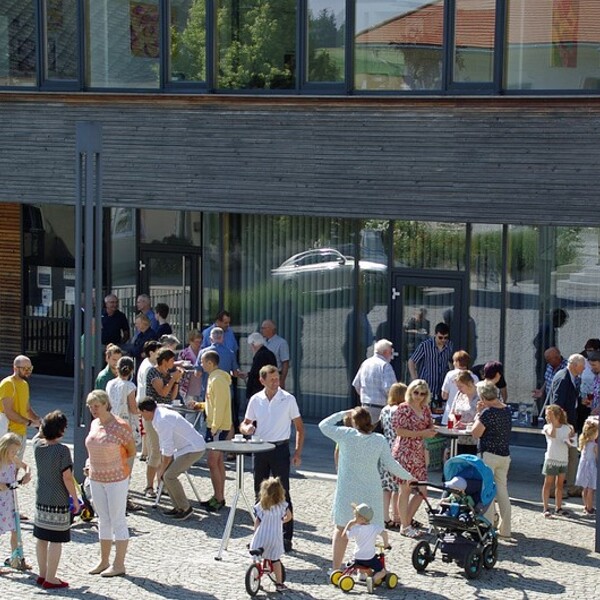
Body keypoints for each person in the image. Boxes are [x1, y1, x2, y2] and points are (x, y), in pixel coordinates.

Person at [318, 406, 414, 571]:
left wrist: (343, 413)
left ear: (354, 422)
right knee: (369, 531)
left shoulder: (346, 435)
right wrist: (408, 476)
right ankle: (365, 570)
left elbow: (323, 425)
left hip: (347, 490)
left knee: (341, 528)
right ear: (370, 421)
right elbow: (390, 464)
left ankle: (335, 569)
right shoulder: (379, 440)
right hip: (371, 491)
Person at [240, 365, 304, 553]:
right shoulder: (256, 399)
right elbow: (245, 423)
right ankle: (259, 535)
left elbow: (299, 427)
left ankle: (286, 537)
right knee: (259, 492)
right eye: (272, 379)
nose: (276, 382)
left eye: (277, 379)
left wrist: (297, 452)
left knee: (283, 493)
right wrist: (246, 429)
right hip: (260, 448)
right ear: (262, 380)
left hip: (279, 449)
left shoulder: (288, 399)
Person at [85, 390, 136, 577]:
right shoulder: (94, 424)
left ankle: (119, 564)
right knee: (103, 519)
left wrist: (117, 466)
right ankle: (104, 561)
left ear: (106, 404)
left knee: (117, 520)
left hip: (116, 479)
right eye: (90, 406)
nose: (93, 409)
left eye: (96, 406)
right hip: (96, 477)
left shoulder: (121, 426)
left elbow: (131, 450)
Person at [138, 398, 206, 520]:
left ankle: (185, 508)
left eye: (141, 413)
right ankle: (178, 507)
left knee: (168, 476)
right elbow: (165, 446)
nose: (141, 417)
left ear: (146, 411)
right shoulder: (159, 415)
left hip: (193, 448)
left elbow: (167, 448)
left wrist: (162, 470)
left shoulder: (162, 419)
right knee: (166, 476)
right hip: (185, 448)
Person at [32, 411, 78, 589]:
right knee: (55, 540)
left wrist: (42, 425)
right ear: (61, 430)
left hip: (41, 497)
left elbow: (38, 435)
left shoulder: (37, 446)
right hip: (57, 500)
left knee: (41, 538)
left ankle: (42, 574)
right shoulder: (62, 451)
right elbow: (67, 478)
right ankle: (51, 578)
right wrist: (75, 499)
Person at [391, 379, 436, 538]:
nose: (419, 396)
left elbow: (429, 426)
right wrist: (421, 434)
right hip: (405, 452)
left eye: (422, 393)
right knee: (405, 489)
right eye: (416, 392)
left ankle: (406, 522)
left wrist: (432, 430)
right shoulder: (403, 408)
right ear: (410, 391)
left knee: (422, 491)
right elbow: (399, 431)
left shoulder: (425, 408)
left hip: (419, 453)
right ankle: (405, 525)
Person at [471, 382, 513, 539]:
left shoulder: (488, 413)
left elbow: (476, 433)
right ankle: (506, 529)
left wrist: (478, 414)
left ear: (482, 397)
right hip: (504, 455)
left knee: (487, 489)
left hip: (488, 455)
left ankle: (488, 525)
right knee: (502, 490)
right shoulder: (507, 410)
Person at [143, 348, 184, 497]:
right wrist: (173, 379)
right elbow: (162, 392)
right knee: (155, 451)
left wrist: (176, 381)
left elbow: (171, 396)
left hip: (165, 415)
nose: (174, 363)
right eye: (172, 360)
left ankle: (162, 484)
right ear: (165, 361)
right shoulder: (153, 373)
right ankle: (149, 487)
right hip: (152, 415)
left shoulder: (167, 374)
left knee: (167, 451)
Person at [548, 353, 586, 496]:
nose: (584, 369)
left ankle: (571, 486)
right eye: (582, 366)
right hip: (563, 425)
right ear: (575, 365)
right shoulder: (563, 378)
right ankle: (553, 489)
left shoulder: (571, 377)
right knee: (559, 456)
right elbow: (557, 404)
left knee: (572, 456)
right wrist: (561, 426)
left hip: (570, 424)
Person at [199, 350, 232, 512]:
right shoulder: (214, 377)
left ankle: (219, 498)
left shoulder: (217, 380)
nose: (201, 364)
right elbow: (213, 403)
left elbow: (220, 406)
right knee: (217, 462)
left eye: (203, 362)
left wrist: (215, 426)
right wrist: (200, 406)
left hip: (217, 427)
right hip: (215, 425)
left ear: (210, 363)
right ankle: (218, 496)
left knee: (213, 462)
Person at [249, 476, 292, 593]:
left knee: (256, 556)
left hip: (261, 537)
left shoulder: (261, 506)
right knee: (275, 560)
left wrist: (255, 534)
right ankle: (279, 583)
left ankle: (255, 575)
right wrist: (281, 521)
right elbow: (289, 517)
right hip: (274, 538)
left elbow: (257, 522)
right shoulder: (282, 506)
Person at [0, 432, 32, 574]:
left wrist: (27, 474)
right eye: (12, 451)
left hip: (10, 499)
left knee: (15, 529)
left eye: (16, 451)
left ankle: (16, 559)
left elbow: (27, 466)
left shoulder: (13, 459)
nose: (14, 454)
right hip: (1, 499)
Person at [0, 355, 41, 459]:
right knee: (7, 465)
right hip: (9, 434)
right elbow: (9, 412)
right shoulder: (8, 384)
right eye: (25, 369)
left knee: (16, 466)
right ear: (15, 368)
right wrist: (29, 423)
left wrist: (39, 421)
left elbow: (27, 409)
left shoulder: (24, 384)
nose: (28, 371)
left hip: (22, 433)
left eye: (30, 368)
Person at [379, 383, 406, 530]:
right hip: (397, 446)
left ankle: (385, 517)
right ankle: (397, 515)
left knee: (386, 485)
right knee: (397, 485)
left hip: (385, 446)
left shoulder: (385, 409)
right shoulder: (401, 410)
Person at [342, 502, 390, 586]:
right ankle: (373, 579)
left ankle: (364, 575)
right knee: (382, 571)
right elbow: (384, 533)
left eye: (355, 517)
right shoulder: (375, 527)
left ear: (362, 519)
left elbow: (344, 536)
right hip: (369, 558)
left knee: (364, 565)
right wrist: (386, 544)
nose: (354, 519)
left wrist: (349, 524)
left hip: (357, 557)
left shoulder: (357, 529)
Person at [352, 339, 397, 426]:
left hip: (365, 406)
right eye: (391, 352)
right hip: (381, 409)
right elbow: (391, 390)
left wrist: (366, 396)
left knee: (365, 432)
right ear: (385, 352)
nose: (392, 356)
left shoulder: (365, 363)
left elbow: (357, 385)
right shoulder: (385, 366)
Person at [408, 322, 453, 405]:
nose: (443, 340)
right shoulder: (425, 346)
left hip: (441, 387)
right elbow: (412, 361)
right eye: (440, 337)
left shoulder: (449, 346)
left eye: (446, 338)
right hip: (427, 387)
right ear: (435, 335)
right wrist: (415, 379)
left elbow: (451, 361)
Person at [541, 404, 574, 518]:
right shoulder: (547, 427)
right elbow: (553, 435)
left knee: (560, 485)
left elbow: (572, 443)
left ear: (557, 415)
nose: (547, 417)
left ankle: (558, 507)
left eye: (549, 415)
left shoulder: (568, 428)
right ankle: (546, 508)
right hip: (551, 458)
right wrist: (553, 424)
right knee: (548, 484)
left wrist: (569, 441)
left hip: (563, 459)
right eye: (547, 415)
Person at [136, 340, 162, 465]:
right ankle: (150, 455)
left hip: (143, 400)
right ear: (151, 353)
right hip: (146, 401)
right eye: (158, 352)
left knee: (145, 428)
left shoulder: (146, 363)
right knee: (149, 430)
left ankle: (144, 452)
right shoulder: (149, 367)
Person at [441, 350, 478, 425]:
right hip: (457, 419)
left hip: (450, 419)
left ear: (456, 362)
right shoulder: (475, 377)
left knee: (449, 429)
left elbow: (444, 396)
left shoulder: (450, 374)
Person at [533, 308, 568, 386]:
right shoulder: (548, 328)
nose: (563, 322)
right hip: (545, 362)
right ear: (558, 319)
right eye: (563, 320)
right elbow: (536, 342)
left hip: (545, 361)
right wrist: (548, 353)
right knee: (544, 383)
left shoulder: (549, 327)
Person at [449, 371, 479, 455]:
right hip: (458, 438)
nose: (458, 389)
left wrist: (465, 425)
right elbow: (452, 413)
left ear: (469, 383)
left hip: (474, 439)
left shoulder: (480, 395)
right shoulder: (459, 394)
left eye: (460, 386)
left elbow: (483, 418)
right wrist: (453, 419)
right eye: (457, 386)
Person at [531, 347, 566, 415]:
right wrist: (541, 390)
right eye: (547, 360)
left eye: (549, 360)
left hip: (562, 404)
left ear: (557, 358)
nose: (547, 362)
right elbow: (548, 379)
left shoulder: (567, 367)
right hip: (550, 401)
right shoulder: (549, 366)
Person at [244, 332, 277, 401]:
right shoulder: (270, 354)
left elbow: (255, 374)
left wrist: (249, 393)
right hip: (270, 388)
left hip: (258, 390)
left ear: (253, 344)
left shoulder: (259, 356)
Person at [575, 419, 598, 516]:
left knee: (585, 488)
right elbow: (597, 457)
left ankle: (585, 506)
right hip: (591, 467)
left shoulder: (583, 443)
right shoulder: (594, 445)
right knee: (591, 489)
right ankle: (590, 508)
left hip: (583, 467)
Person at [261, 320, 290, 389]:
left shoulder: (281, 343)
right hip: (263, 376)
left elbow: (285, 363)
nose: (261, 330)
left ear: (271, 329)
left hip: (274, 376)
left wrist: (282, 380)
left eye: (263, 328)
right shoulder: (262, 342)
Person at [179, 329, 203, 403]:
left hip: (202, 388)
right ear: (190, 341)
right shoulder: (184, 353)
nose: (198, 344)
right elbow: (179, 369)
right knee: (190, 409)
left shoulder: (204, 352)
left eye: (200, 342)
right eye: (196, 342)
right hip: (188, 388)